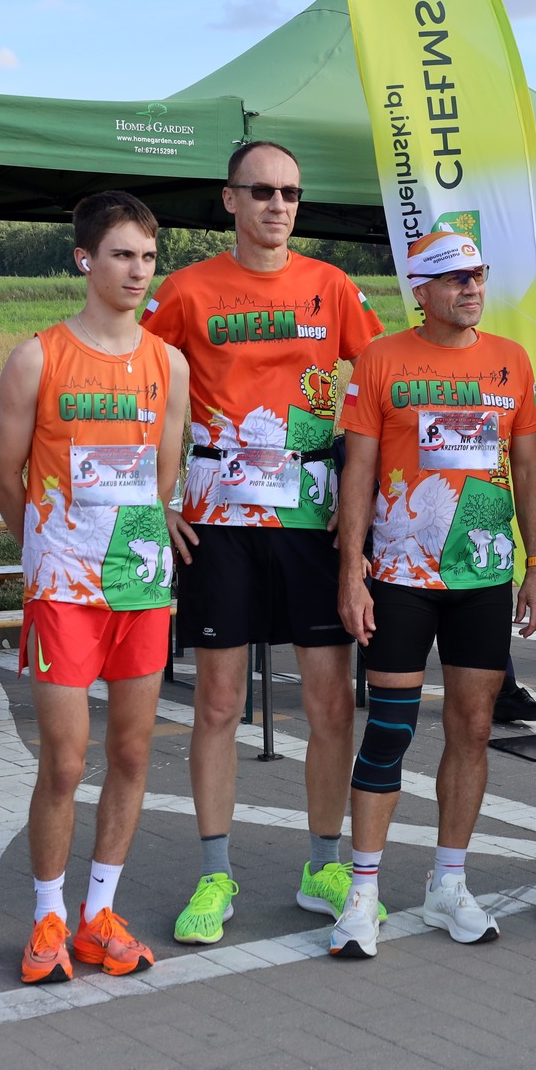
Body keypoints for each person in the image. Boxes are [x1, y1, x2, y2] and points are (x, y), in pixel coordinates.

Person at [141, 141, 385, 943]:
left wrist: (367, 502)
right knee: (217, 702)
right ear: (230, 199)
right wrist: (153, 497)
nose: (278, 205)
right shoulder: (186, 290)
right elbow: (137, 383)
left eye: (290, 193)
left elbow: (381, 383)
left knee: (329, 702)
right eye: (262, 191)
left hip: (312, 522)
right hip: (219, 522)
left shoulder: (332, 286)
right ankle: (215, 873)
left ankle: (323, 865)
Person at [0, 192, 191, 985]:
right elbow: (4, 474)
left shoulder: (168, 364)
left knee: (132, 751)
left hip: (139, 585)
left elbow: (162, 480)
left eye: (147, 256)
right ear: (84, 259)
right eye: (121, 254)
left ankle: (100, 911)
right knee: (65, 762)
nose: (137, 270)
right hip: (64, 588)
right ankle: (47, 913)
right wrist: (46, 547)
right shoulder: (37, 357)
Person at [327, 230, 536, 956]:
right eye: (455, 278)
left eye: (477, 274)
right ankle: (363, 892)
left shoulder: (511, 360)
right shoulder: (381, 358)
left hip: (481, 577)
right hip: (400, 576)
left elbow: (528, 466)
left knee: (473, 728)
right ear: (419, 291)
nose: (472, 287)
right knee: (389, 729)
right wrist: (351, 569)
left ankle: (447, 883)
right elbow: (358, 470)